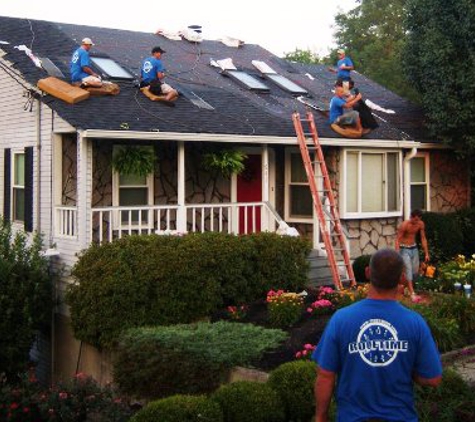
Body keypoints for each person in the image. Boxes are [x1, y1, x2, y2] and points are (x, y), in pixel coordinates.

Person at [312, 248, 442, 422]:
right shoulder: (415, 323)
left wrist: (320, 417)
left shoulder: (341, 319)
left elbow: (325, 376)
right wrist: (409, 370)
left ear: (367, 272)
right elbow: (433, 379)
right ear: (402, 277)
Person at [396, 209, 430, 300]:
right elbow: (398, 239)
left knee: (414, 271)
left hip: (414, 248)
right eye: (414, 220)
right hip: (404, 249)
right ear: (411, 217)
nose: (416, 222)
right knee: (408, 269)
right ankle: (412, 294)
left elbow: (423, 238)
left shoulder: (420, 224)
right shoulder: (405, 225)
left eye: (418, 220)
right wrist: (397, 253)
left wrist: (426, 253)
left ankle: (404, 287)